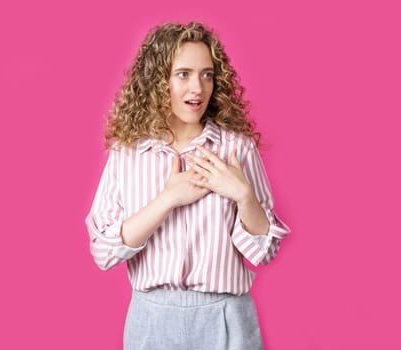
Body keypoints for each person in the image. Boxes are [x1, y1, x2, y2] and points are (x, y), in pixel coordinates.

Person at [85, 21, 291, 350]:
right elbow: (103, 252)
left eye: (207, 74)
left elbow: (263, 253)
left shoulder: (236, 149)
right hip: (152, 320)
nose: (198, 88)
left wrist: (243, 195)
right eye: (183, 74)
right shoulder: (128, 153)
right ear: (157, 81)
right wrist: (167, 199)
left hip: (227, 317)